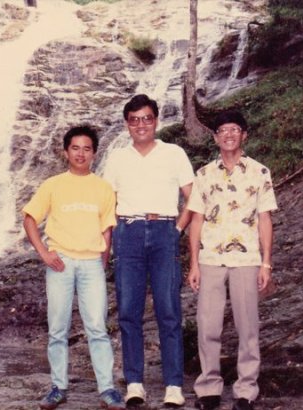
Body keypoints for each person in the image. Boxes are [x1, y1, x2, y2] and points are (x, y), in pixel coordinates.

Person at [22, 126, 124, 410]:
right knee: (57, 329)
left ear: (94, 153)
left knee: (97, 328)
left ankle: (107, 389)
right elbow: (29, 219)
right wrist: (44, 253)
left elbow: (107, 228)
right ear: (66, 151)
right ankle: (58, 387)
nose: (81, 153)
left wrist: (102, 261)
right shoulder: (52, 185)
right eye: (75, 148)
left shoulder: (103, 187)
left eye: (87, 148)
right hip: (61, 263)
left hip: (92, 264)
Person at [103, 94, 194, 408]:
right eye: (134, 120)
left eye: (146, 118)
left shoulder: (174, 153)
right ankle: (135, 384)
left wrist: (177, 229)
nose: (141, 124)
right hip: (127, 233)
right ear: (127, 124)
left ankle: (173, 385)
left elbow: (193, 197)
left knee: (169, 310)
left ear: (156, 120)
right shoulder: (117, 157)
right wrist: (110, 239)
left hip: (164, 230)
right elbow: (107, 202)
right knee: (129, 311)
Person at [186, 111, 278, 410]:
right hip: (210, 258)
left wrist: (266, 263)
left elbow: (265, 219)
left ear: (244, 135)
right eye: (222, 130)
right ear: (215, 137)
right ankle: (208, 388)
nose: (228, 134)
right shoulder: (203, 175)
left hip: (247, 258)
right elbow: (196, 220)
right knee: (208, 326)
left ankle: (246, 390)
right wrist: (194, 263)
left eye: (234, 129)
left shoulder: (260, 172)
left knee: (247, 326)